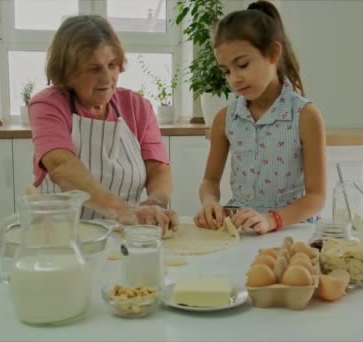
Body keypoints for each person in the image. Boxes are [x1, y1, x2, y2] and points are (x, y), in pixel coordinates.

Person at [28, 15, 178, 235]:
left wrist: (154, 204)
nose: (108, 78)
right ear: (68, 72)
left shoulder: (136, 106)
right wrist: (122, 210)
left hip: (125, 234)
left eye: (112, 65)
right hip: (62, 236)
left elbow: (158, 169)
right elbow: (61, 166)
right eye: (94, 69)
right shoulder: (48, 104)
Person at [194, 1, 327, 234]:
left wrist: (271, 220)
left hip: (289, 229)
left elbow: (316, 197)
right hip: (240, 229)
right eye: (226, 71)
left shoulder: (305, 116)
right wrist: (210, 203)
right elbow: (210, 182)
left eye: (242, 65)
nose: (234, 78)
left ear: (274, 54)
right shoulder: (225, 119)